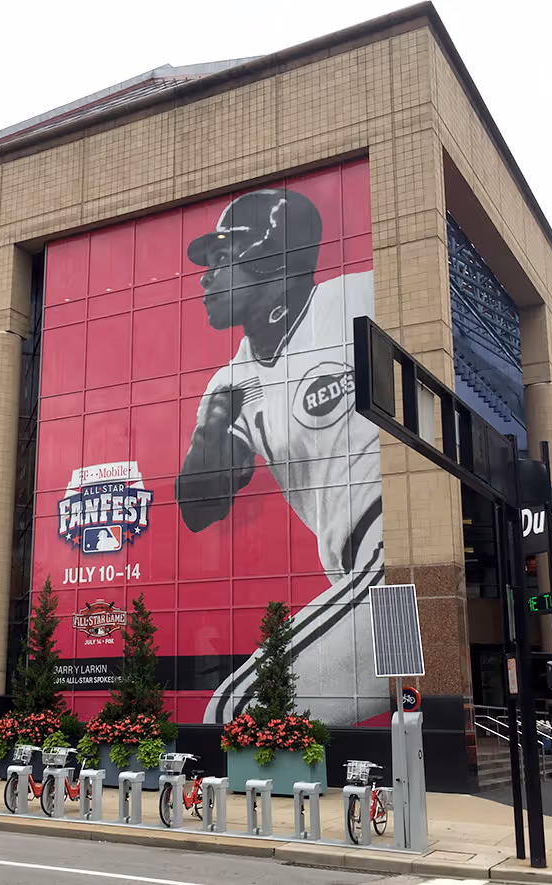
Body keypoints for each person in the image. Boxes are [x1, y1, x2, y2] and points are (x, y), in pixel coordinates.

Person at [176, 188, 386, 727]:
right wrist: (210, 435)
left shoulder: (358, 299)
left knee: (234, 714)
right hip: (355, 576)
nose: (205, 276)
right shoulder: (232, 382)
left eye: (222, 259)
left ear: (273, 255)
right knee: (239, 713)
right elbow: (198, 508)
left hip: (399, 555)